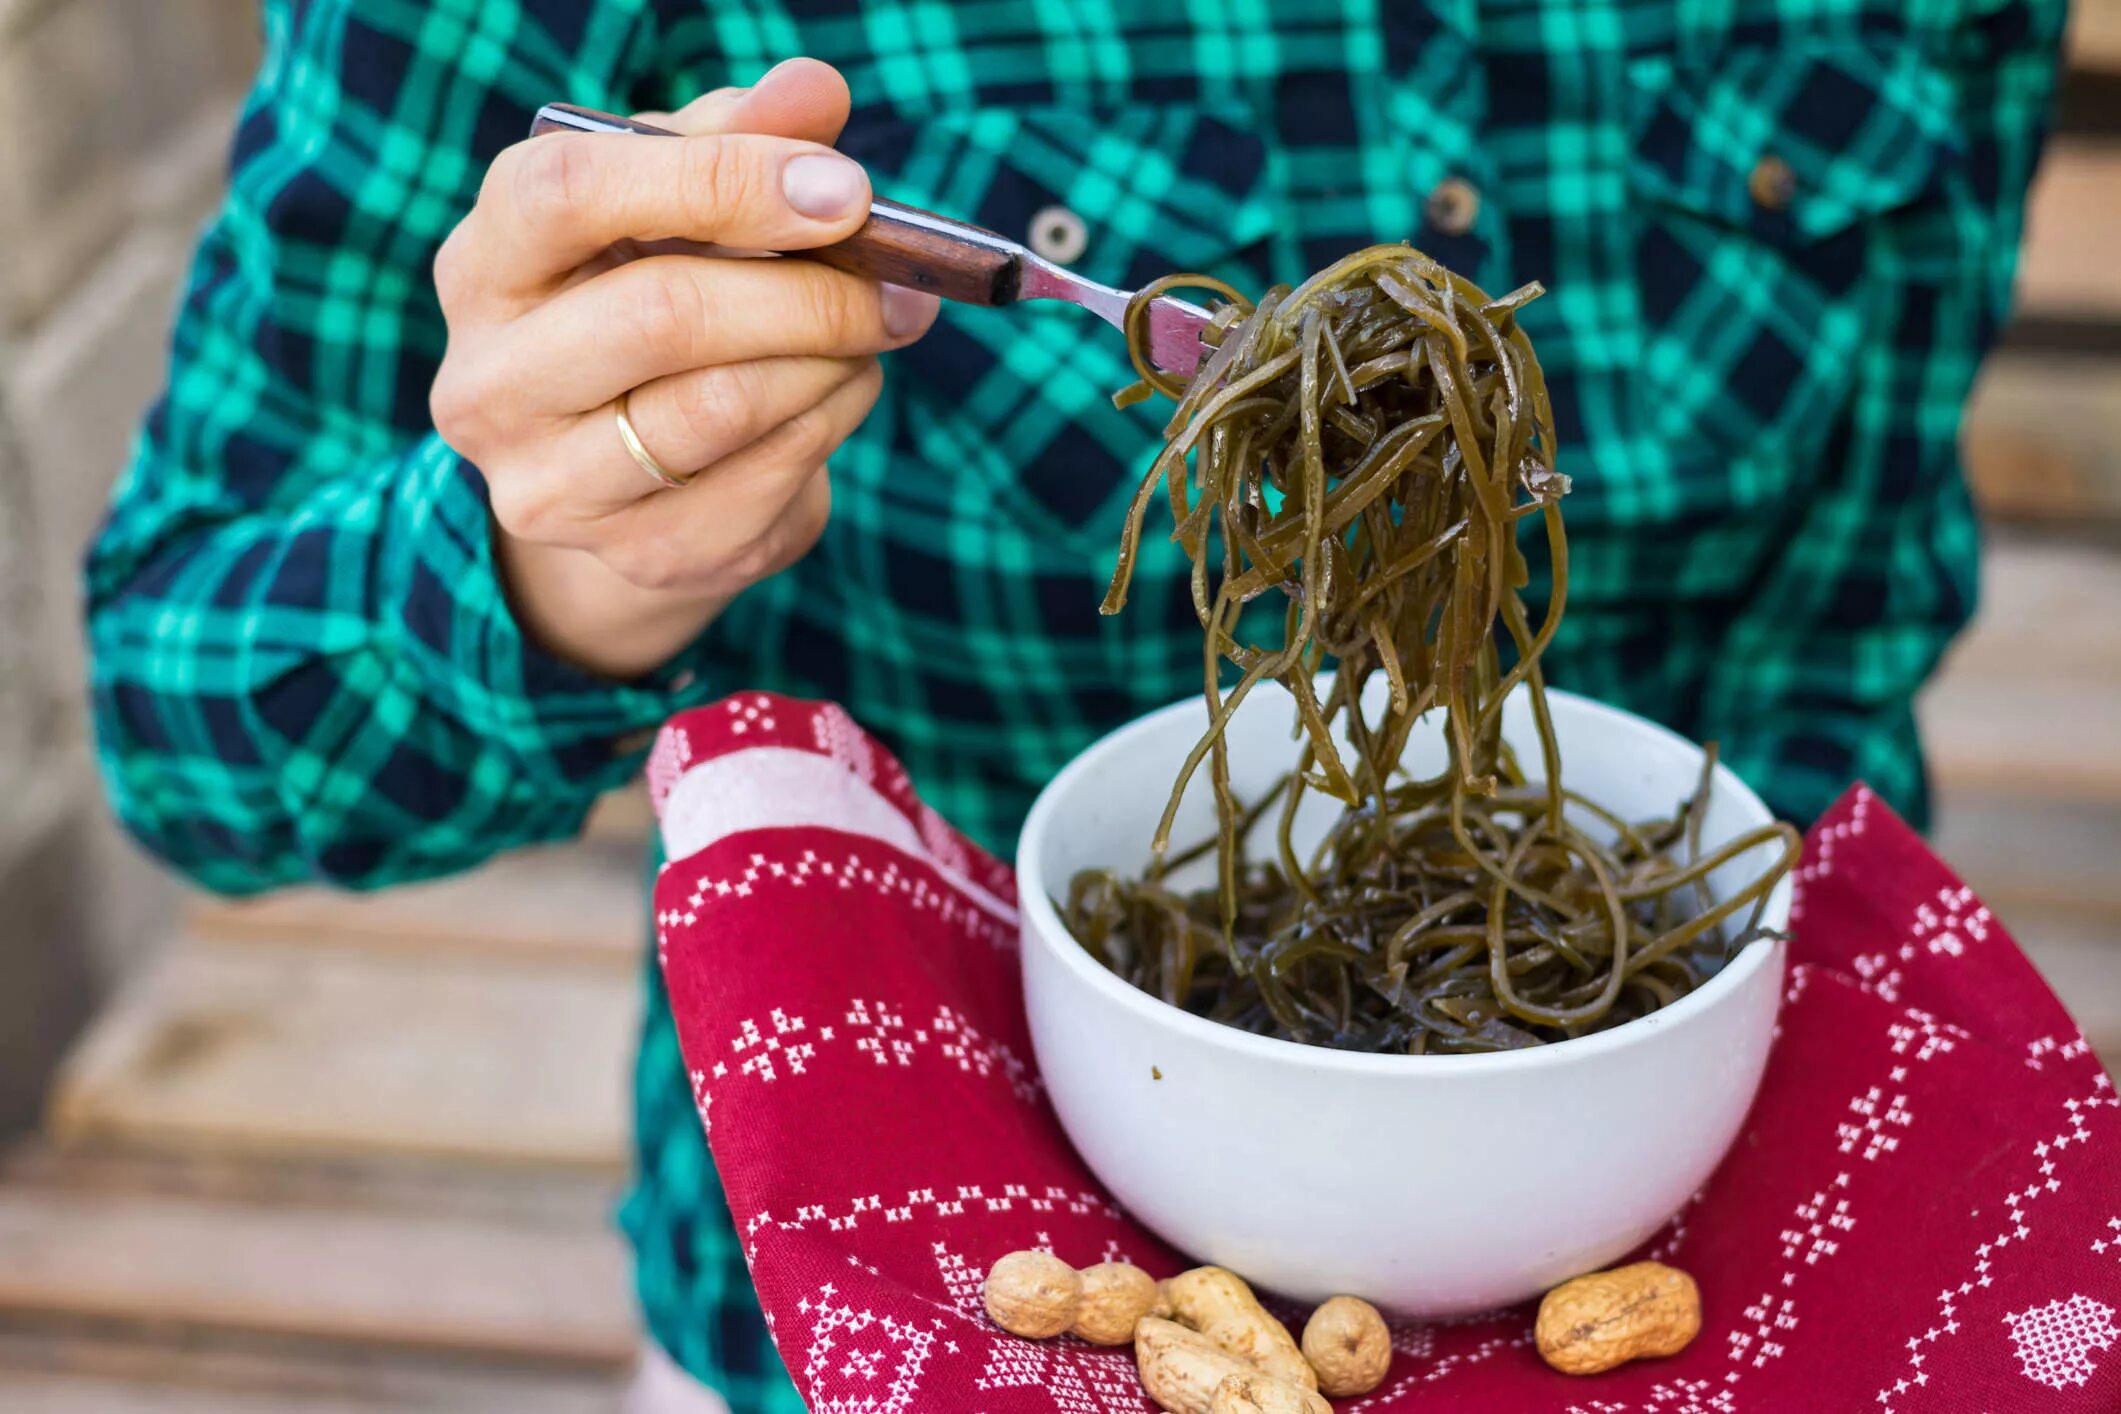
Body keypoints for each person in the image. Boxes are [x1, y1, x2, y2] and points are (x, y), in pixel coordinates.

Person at [85, 3, 2064, 1408]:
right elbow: (180, 711)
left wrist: (1657, 1095)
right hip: (911, 1285)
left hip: (1722, 1217)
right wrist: (553, 564)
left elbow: (1850, 595)